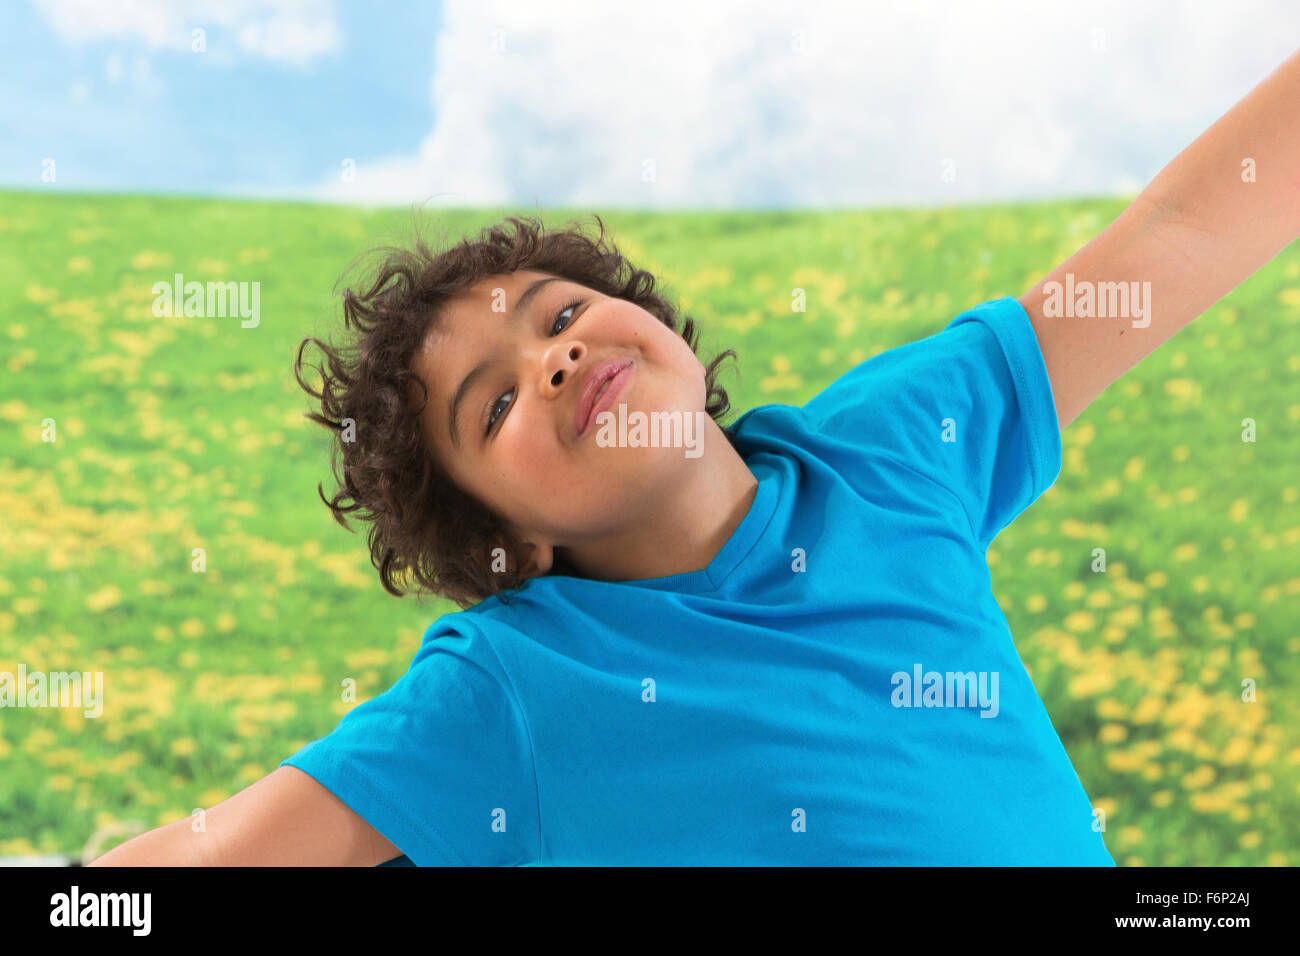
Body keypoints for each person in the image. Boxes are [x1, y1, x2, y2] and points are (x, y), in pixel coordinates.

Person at [89, 47, 1300, 867]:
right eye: (491, 404)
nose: (553, 362)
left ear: (655, 326)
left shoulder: (886, 449)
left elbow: (1180, 232)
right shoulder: (514, 678)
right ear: (508, 538)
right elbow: (213, 853)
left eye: (559, 317)